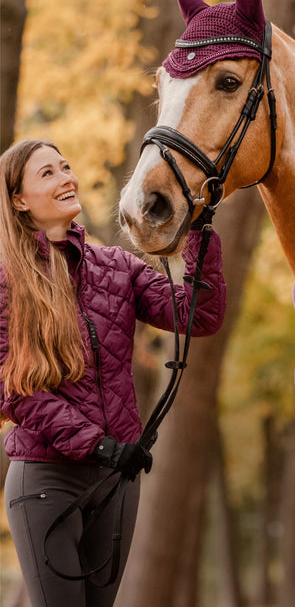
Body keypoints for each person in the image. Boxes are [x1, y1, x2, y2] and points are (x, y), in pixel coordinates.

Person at [0, 139, 226, 607]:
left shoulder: (116, 266)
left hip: (116, 481)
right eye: (47, 173)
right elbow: (13, 391)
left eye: (66, 166)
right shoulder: (8, 283)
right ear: (18, 201)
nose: (66, 177)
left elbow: (196, 317)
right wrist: (99, 445)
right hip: (47, 478)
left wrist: (200, 231)